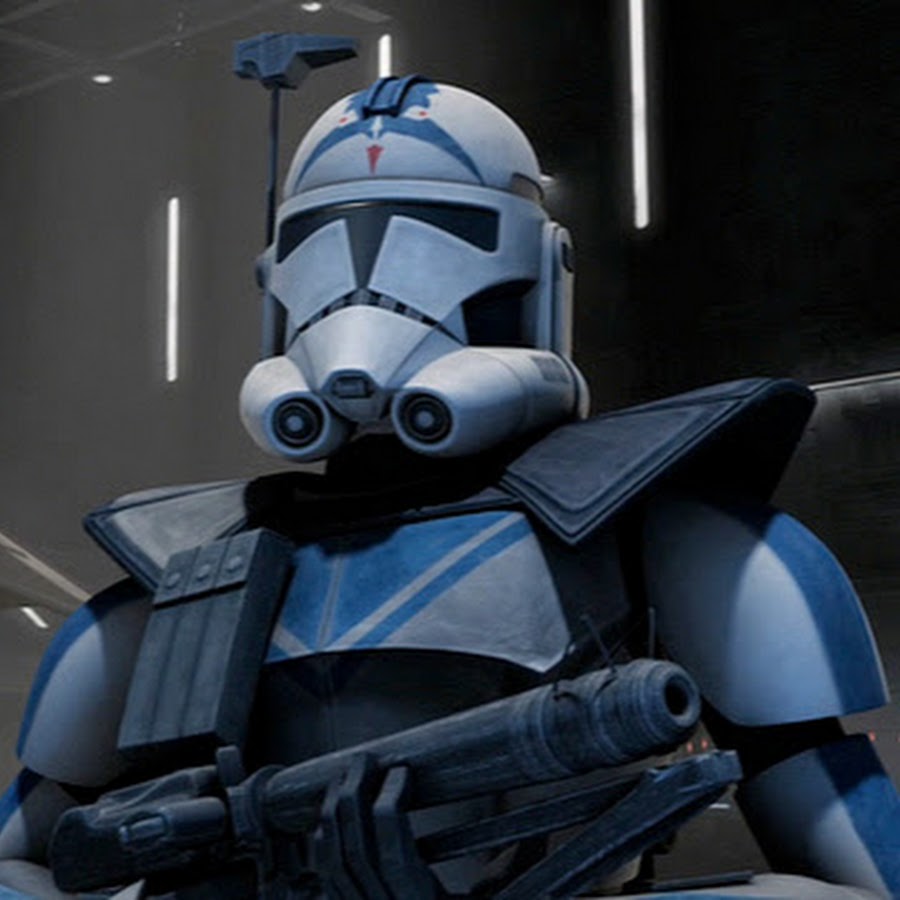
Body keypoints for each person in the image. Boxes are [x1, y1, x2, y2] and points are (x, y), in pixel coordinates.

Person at [0, 65, 897, 899]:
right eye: (326, 245)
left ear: (537, 269)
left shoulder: (665, 537)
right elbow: (21, 867)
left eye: (444, 233)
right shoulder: (178, 575)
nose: (367, 295)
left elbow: (857, 877)